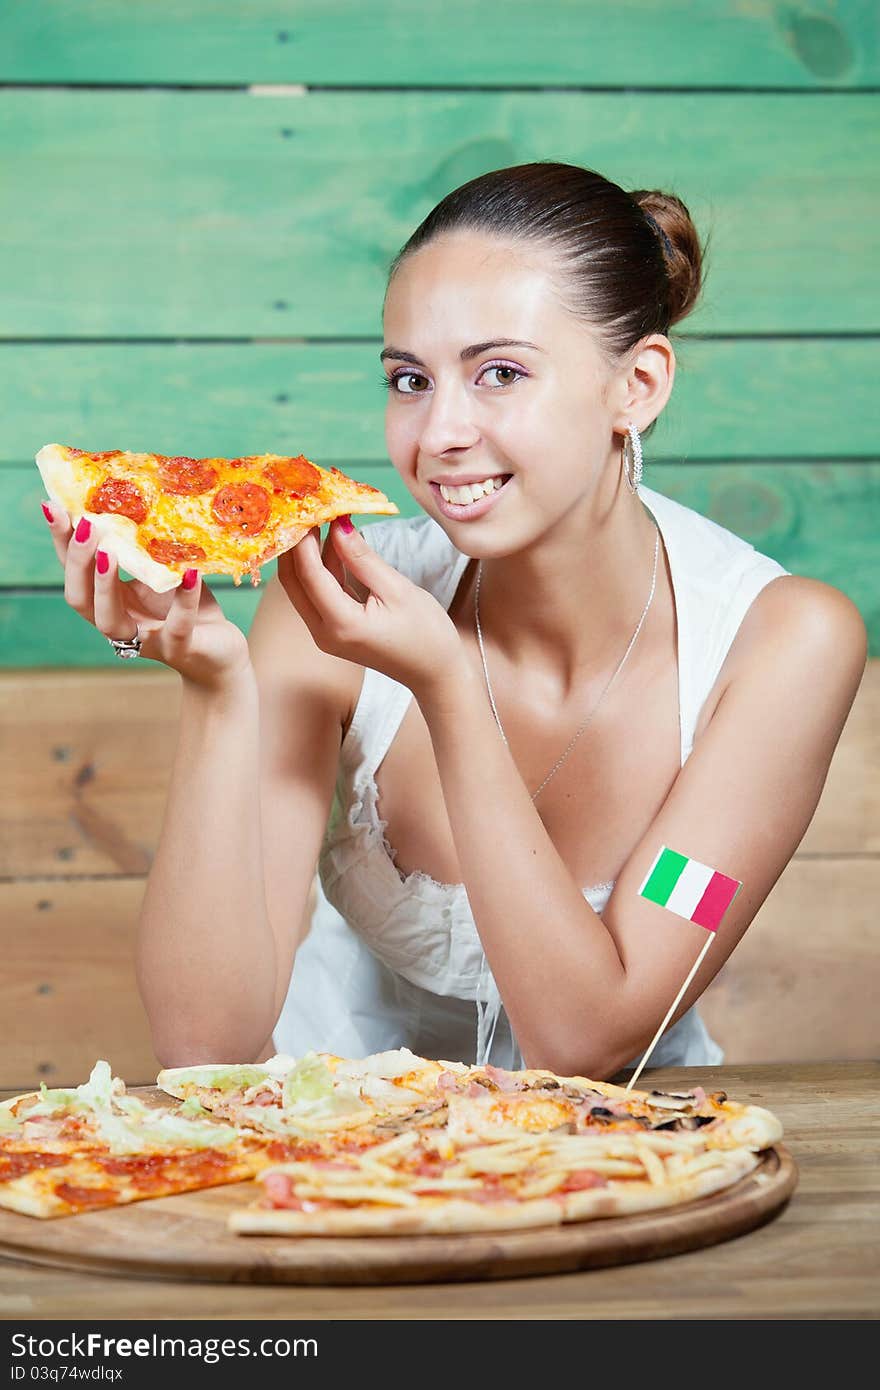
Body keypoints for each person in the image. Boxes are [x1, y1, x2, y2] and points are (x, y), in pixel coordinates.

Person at [44, 162, 867, 1078]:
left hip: (634, 1158)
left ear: (637, 384)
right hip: (345, 1155)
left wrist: (446, 685)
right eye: (409, 380)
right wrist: (214, 683)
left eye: (500, 373)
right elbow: (204, 1049)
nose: (438, 435)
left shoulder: (781, 644)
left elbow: (588, 1039)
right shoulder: (334, 604)